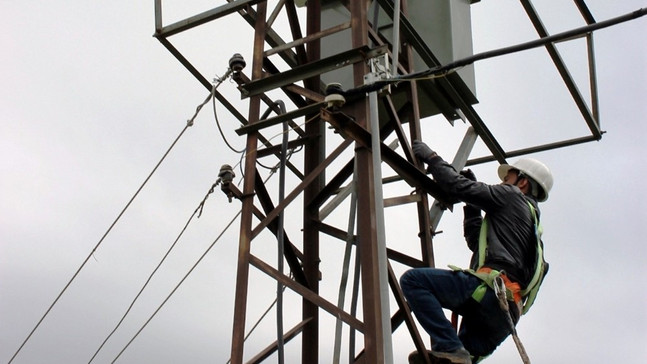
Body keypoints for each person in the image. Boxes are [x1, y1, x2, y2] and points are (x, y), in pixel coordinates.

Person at [401, 140, 553, 364]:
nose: (502, 182)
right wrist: (471, 206)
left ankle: (449, 346)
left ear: (522, 183)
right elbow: (477, 243)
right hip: (506, 314)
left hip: (492, 292)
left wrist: (432, 158)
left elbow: (455, 184)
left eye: (507, 178)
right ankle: (453, 351)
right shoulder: (531, 225)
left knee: (414, 281)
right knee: (458, 361)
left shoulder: (511, 196)